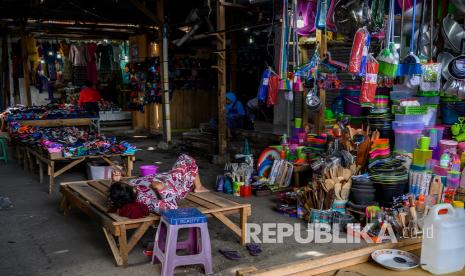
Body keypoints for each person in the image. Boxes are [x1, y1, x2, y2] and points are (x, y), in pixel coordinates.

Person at [109, 154, 209, 217]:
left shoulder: (123, 194)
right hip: (174, 185)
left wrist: (115, 181)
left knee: (183, 160)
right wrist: (162, 189)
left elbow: (112, 197)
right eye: (125, 184)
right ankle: (198, 187)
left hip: (165, 177)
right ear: (131, 192)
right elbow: (172, 209)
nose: (126, 182)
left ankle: (193, 184)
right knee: (187, 160)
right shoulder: (146, 200)